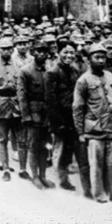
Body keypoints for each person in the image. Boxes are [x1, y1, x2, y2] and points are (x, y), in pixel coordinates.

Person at [73, 43, 112, 204]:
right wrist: (80, 132)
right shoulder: (83, 80)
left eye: (103, 57)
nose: (101, 60)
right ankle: (99, 193)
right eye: (97, 57)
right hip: (94, 129)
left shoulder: (111, 77)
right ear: (89, 60)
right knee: (96, 164)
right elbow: (78, 108)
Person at [46, 43, 91, 196]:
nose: (69, 56)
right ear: (59, 53)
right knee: (60, 148)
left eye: (71, 53)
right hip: (60, 117)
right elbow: (50, 100)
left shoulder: (75, 71)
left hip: (73, 116)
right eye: (65, 52)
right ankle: (61, 179)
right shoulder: (52, 72)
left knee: (72, 148)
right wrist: (57, 122)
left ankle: (71, 180)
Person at [0, 37, 28, 181]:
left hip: (17, 105)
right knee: (2, 138)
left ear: (13, 49)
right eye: (3, 49)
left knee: (22, 139)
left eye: (9, 48)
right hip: (1, 106)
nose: (6, 51)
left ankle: (23, 169)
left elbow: (24, 87)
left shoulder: (20, 65)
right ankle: (5, 168)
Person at [17, 41, 54, 189]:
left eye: (44, 51)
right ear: (33, 52)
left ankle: (43, 175)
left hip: (46, 114)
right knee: (33, 146)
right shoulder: (25, 71)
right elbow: (22, 96)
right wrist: (26, 116)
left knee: (45, 146)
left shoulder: (49, 70)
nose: (42, 54)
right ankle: (35, 176)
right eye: (38, 51)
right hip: (33, 114)